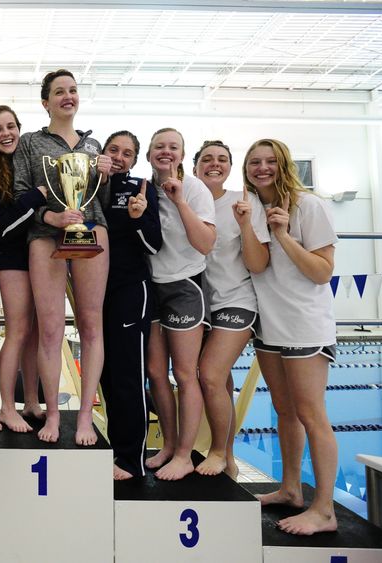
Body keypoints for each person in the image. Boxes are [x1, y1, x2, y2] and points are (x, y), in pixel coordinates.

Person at [13, 69, 111, 445]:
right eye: (59, 92)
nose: (67, 96)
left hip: (92, 228)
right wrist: (49, 216)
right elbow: (22, 192)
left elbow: (99, 202)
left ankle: (85, 416)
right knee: (51, 329)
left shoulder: (93, 145)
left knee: (90, 324)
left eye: (72, 90)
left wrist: (106, 176)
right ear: (45, 101)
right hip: (45, 234)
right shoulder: (30, 143)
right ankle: (53, 413)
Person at [246, 139, 338, 535]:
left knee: (311, 414)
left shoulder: (309, 206)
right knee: (285, 412)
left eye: (269, 161)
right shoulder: (251, 208)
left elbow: (322, 271)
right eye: (254, 162)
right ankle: (290, 490)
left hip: (304, 324)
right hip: (269, 324)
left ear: (283, 165)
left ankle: (325, 509)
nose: (262, 167)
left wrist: (283, 234)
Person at [193, 140, 270, 478]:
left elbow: (259, 262)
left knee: (209, 374)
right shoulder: (186, 199)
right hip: (200, 305)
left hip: (237, 300)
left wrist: (244, 225)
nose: (215, 164)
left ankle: (218, 452)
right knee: (220, 380)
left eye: (222, 159)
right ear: (195, 165)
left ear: (229, 166)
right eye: (207, 158)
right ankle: (230, 457)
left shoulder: (244, 201)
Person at [144, 128, 216, 480]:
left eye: (173, 147)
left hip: (185, 286)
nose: (166, 151)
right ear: (149, 155)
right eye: (159, 146)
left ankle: (186, 455)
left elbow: (205, 243)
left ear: (182, 155)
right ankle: (170, 446)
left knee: (185, 374)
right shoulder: (143, 189)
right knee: (156, 373)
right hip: (152, 287)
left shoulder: (195, 189)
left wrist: (180, 201)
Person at [99, 131, 162, 479]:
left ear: (135, 160)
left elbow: (154, 244)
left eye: (127, 153)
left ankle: (131, 460)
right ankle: (116, 451)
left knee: (127, 374)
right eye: (114, 150)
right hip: (95, 292)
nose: (119, 157)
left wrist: (138, 219)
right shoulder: (92, 183)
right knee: (106, 375)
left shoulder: (140, 187)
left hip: (129, 289)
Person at [0, 105, 47, 432]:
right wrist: (35, 197)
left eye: (11, 126)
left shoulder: (26, 163)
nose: (6, 133)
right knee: (19, 330)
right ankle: (7, 406)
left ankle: (31, 401)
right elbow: (2, 227)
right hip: (11, 258)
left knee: (34, 332)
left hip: (37, 252)